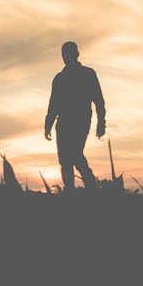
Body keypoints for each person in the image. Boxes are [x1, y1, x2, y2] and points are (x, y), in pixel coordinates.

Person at [44, 41, 106, 191]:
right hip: (63, 123)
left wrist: (101, 123)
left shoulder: (88, 74)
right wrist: (48, 125)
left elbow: (98, 100)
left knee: (75, 155)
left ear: (77, 54)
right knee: (65, 160)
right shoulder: (59, 78)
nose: (66, 57)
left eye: (68, 54)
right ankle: (71, 190)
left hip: (81, 121)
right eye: (64, 54)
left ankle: (91, 185)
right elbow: (53, 104)